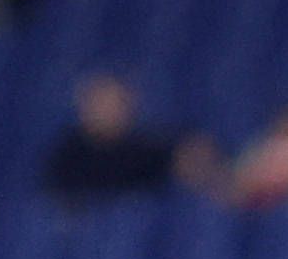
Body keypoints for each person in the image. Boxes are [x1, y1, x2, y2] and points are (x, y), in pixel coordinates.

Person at [41, 73, 190, 202]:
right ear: (85, 109)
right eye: (103, 104)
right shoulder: (67, 154)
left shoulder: (145, 149)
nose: (112, 111)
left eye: (119, 104)